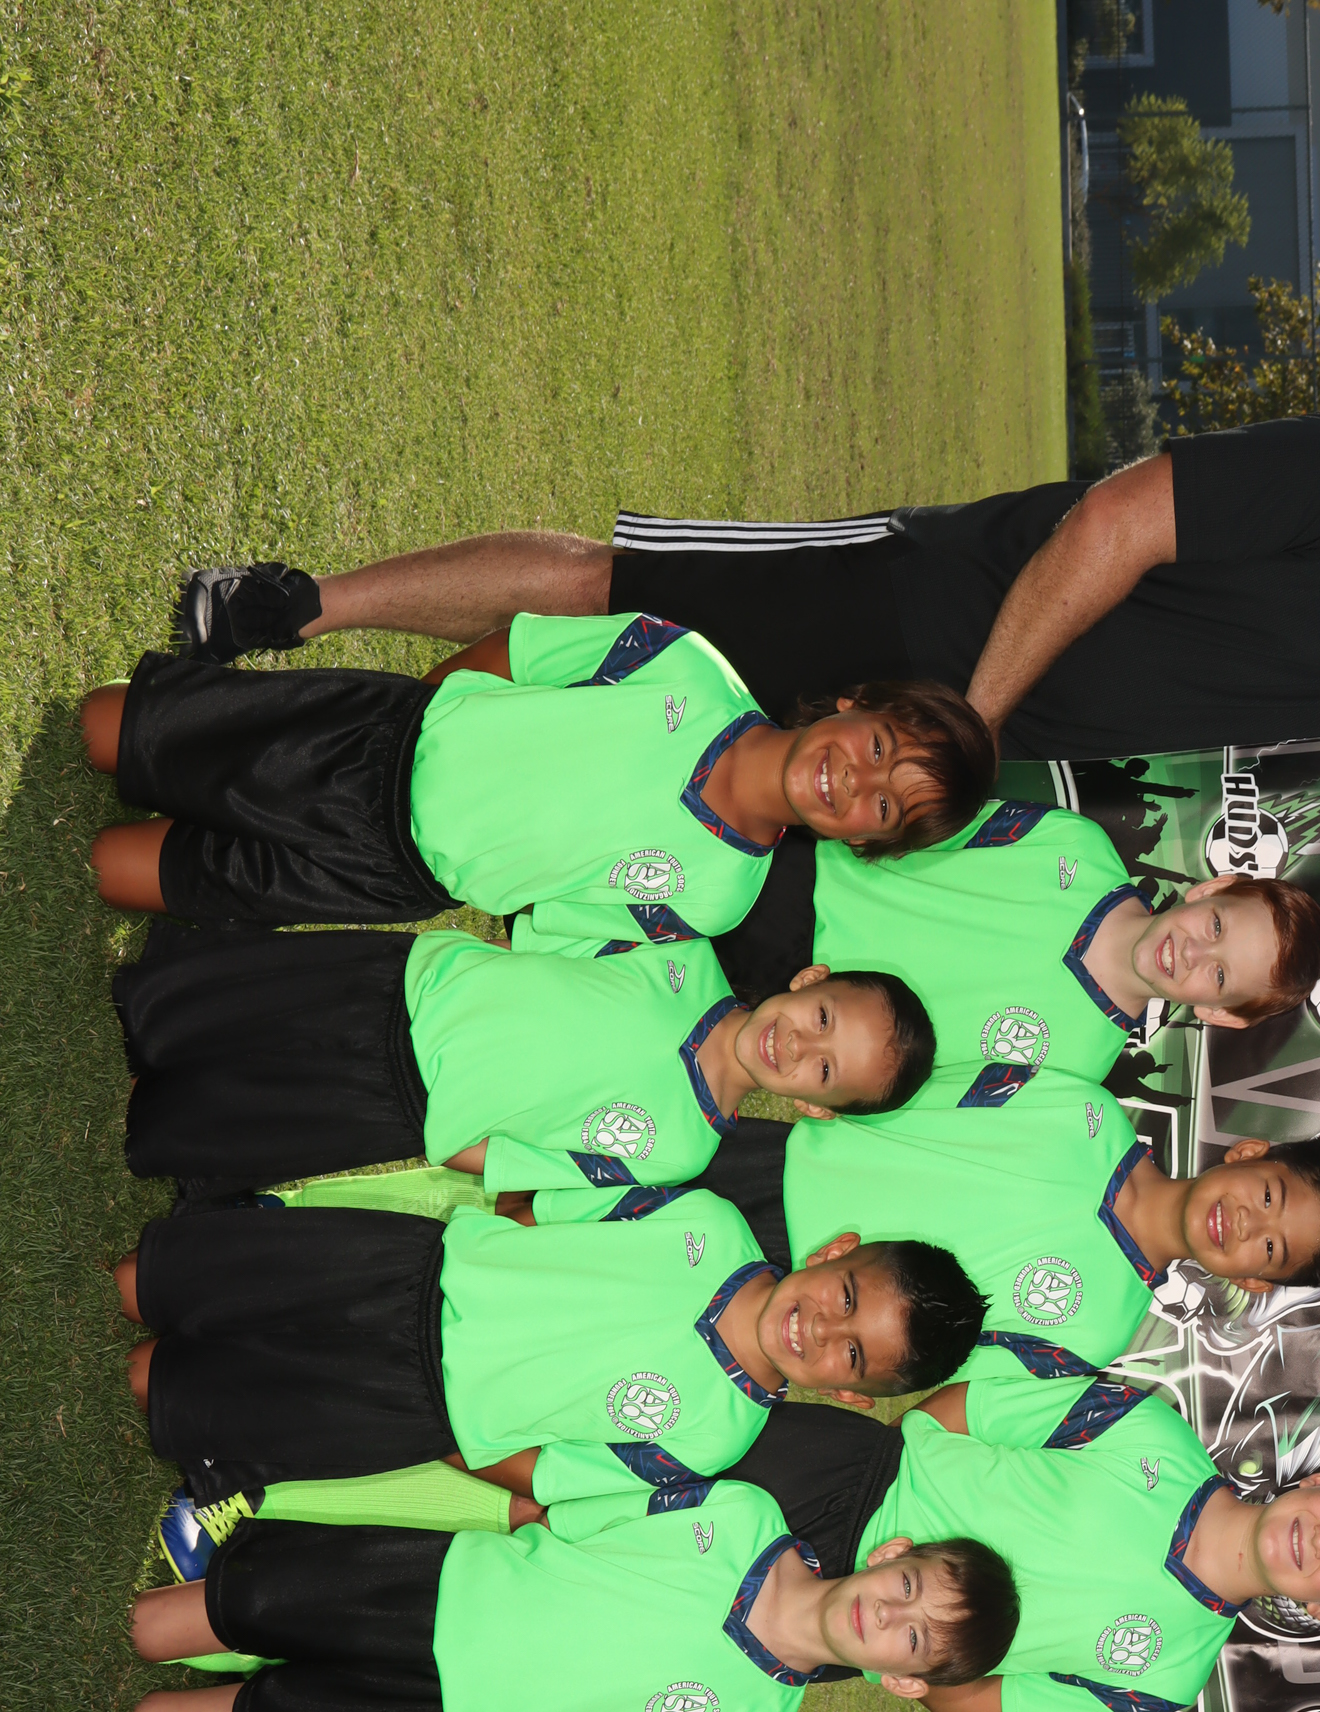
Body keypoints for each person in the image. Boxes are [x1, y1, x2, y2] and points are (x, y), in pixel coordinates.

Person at [172, 418, 1320, 775]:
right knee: (611, 594)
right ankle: (297, 611)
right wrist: (971, 712)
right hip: (931, 610)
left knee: (634, 757)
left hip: (949, 775)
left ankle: (312, 757)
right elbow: (1121, 520)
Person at [81, 611, 993, 932]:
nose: (856, 782)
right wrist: (417, 722)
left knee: (114, 870)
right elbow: (511, 653)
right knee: (104, 730)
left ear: (862, 844)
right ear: (856, 704)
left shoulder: (718, 898)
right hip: (374, 741)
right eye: (880, 749)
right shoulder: (681, 663)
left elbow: (555, 922)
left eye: (883, 809)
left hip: (391, 873)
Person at [124, 1487, 1020, 1712]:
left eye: (911, 1639)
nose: (887, 1613)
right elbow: (581, 1514)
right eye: (908, 1587)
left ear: (901, 1681)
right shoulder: (745, 1516)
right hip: (433, 1586)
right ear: (892, 1553)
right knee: (175, 1622)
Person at [116, 1189, 989, 1514]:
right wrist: (486, 1258)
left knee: (155, 1387)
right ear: (836, 1252)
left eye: (851, 1356)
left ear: (849, 1396)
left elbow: (546, 1474)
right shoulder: (709, 1222)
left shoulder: (712, 1440)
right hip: (404, 1273)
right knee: (146, 1282)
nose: (822, 1331)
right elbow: (550, 1212)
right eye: (846, 1300)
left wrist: (447, 1430)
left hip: (409, 1405)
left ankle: (227, 1453)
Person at [721, 1354, 1320, 1712]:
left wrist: (907, 1650)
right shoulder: (1151, 1431)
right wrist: (876, 1472)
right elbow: (971, 1410)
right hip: (828, 1479)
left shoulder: (1165, 1679)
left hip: (847, 1634)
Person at [113, 909, 937, 1196]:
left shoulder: (682, 1151)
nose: (798, 1043)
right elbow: (545, 938)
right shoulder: (683, 951)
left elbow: (532, 1162)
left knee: (202, 1123)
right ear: (811, 978)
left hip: (409, 1105)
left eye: (823, 1069)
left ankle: (178, 1124)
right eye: (822, 1016)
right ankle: (168, 1004)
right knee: (206, 1006)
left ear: (811, 1106)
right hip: (405, 987)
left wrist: (440, 1133)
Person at [700, 1075, 1320, 1372]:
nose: (1246, 1223)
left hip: (789, 1320)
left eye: (1271, 1247)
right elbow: (922, 1089)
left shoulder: (1099, 1333)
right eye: (1268, 1195)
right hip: (773, 1166)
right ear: (1249, 1152)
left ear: (1256, 1282)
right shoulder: (1085, 1113)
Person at [711, 811, 1320, 1108]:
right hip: (796, 886)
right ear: (1213, 888)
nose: (1193, 951)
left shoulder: (1074, 1072)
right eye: (1216, 926)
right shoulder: (1076, 846)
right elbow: (918, 823)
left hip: (786, 1036)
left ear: (1218, 1014)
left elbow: (923, 1094)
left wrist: (840, 1098)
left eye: (1219, 975)